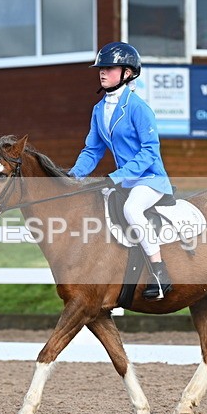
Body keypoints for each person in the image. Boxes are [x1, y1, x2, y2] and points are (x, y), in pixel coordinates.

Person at [68, 41, 174, 301]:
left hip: (150, 179)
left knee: (131, 210)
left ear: (127, 73)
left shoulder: (139, 108)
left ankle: (159, 273)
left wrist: (117, 177)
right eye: (101, 68)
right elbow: (92, 150)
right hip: (125, 181)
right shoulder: (99, 109)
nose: (102, 72)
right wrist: (73, 176)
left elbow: (150, 152)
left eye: (109, 68)